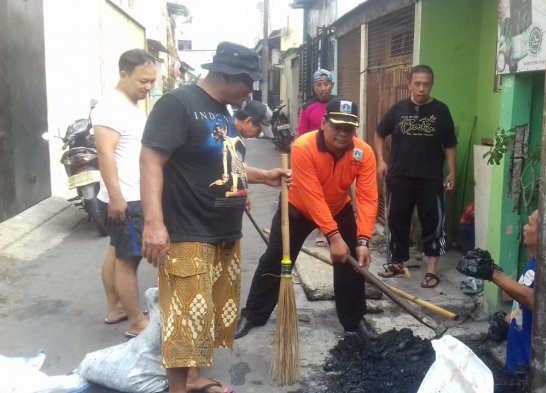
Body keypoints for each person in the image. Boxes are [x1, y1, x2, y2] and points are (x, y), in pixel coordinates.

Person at [139, 41, 289, 393]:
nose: (249, 91)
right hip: (188, 230)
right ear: (224, 73)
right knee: (184, 321)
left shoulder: (222, 110)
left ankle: (192, 379)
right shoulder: (178, 104)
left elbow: (226, 161)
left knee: (204, 316)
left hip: (224, 231)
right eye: (246, 83)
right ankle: (179, 388)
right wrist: (154, 223)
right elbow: (150, 161)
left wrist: (262, 176)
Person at [235, 97, 380, 341]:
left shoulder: (362, 153)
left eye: (349, 128)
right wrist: (333, 237)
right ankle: (253, 315)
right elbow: (312, 195)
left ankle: (354, 319)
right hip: (299, 206)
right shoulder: (303, 147)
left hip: (337, 207)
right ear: (323, 123)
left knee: (351, 261)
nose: (343, 134)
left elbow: (367, 198)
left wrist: (363, 239)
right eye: (337, 126)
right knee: (274, 259)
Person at [374, 64, 457, 288]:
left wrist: (451, 171)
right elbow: (379, 134)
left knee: (433, 223)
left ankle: (432, 269)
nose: (421, 88)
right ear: (410, 84)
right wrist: (381, 160)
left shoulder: (441, 111)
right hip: (399, 175)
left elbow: (450, 144)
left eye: (426, 84)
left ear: (431, 85)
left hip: (430, 178)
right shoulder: (398, 109)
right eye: (417, 84)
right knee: (396, 221)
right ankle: (397, 263)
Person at [94, 48, 157, 337]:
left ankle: (116, 308)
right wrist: (117, 197)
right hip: (127, 197)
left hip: (129, 194)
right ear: (123, 74)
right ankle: (135, 322)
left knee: (117, 252)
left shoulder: (129, 104)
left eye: (152, 81)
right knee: (128, 259)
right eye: (143, 80)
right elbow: (105, 154)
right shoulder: (111, 107)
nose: (148, 87)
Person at [457, 209, 538, 379]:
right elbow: (526, 306)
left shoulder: (545, 270)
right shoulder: (533, 264)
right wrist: (509, 318)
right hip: (514, 362)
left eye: (530, 224)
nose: (524, 227)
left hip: (528, 372)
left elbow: (533, 299)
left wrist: (492, 273)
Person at [296, 68, 337, 247]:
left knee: (332, 195)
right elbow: (301, 133)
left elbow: (351, 131)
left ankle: (325, 230)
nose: (323, 88)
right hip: (313, 157)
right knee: (315, 194)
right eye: (319, 85)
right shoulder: (307, 107)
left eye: (326, 84)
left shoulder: (339, 104)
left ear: (332, 85)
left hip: (336, 155)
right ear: (314, 87)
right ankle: (319, 228)